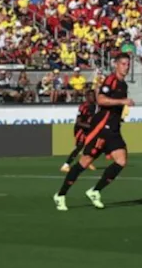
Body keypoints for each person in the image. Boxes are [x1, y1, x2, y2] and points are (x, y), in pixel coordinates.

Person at [54, 53, 134, 212]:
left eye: (127, 64)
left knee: (121, 160)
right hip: (101, 129)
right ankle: (61, 195)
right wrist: (121, 101)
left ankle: (95, 191)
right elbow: (101, 100)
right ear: (116, 65)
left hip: (113, 129)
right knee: (84, 162)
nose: (126, 67)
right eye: (123, 64)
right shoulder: (110, 80)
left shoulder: (123, 85)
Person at [60, 89, 99, 173]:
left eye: (94, 95)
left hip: (88, 129)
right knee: (79, 147)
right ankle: (65, 165)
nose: (94, 97)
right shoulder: (84, 107)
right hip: (80, 130)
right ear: (87, 97)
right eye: (92, 95)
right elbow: (78, 122)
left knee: (92, 145)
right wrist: (90, 126)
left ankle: (86, 162)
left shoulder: (95, 106)